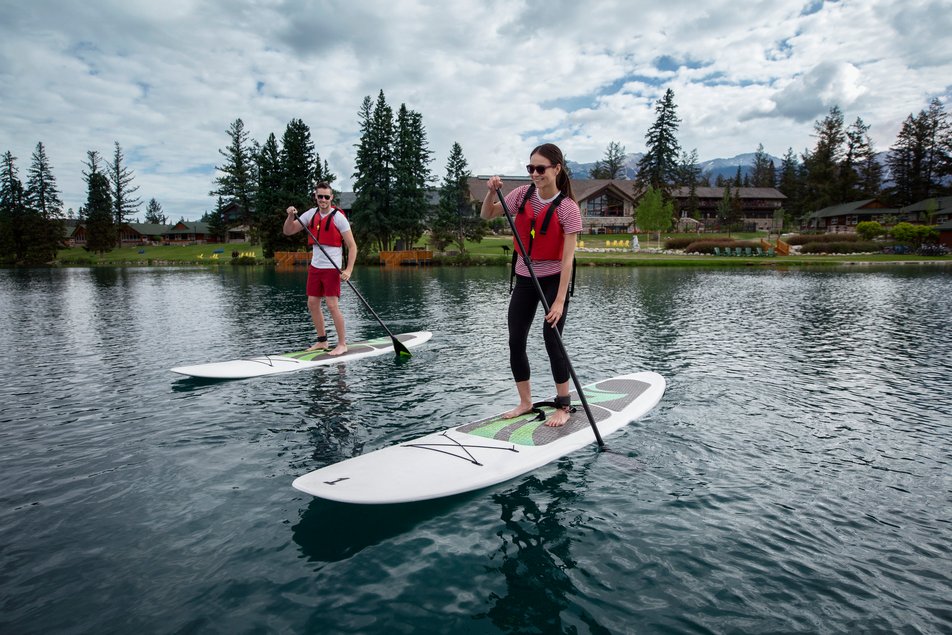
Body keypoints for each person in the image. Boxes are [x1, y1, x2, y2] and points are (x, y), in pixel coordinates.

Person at [480, 143, 582, 427]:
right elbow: (487, 215)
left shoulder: (568, 209)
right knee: (516, 340)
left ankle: (564, 405)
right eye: (530, 168)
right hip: (525, 277)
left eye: (540, 168)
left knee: (553, 339)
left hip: (552, 280)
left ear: (556, 169)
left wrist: (560, 301)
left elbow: (567, 261)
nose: (535, 174)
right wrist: (490, 192)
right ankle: (525, 402)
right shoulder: (521, 195)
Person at [284, 182, 358, 355]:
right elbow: (288, 231)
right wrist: (289, 216)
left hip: (332, 268)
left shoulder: (339, 218)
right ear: (315, 197)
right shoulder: (311, 214)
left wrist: (348, 270)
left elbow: (352, 246)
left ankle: (342, 344)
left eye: (326, 196)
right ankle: (322, 341)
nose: (323, 200)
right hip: (315, 267)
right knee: (312, 303)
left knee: (332, 305)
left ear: (331, 198)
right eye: (320, 196)